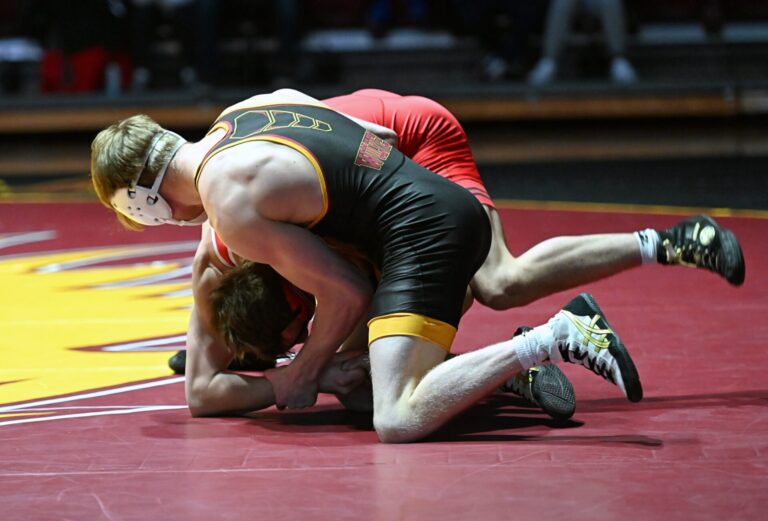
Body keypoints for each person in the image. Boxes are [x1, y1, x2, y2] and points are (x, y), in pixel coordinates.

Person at [89, 88, 734, 442]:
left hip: (418, 184)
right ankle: (507, 351)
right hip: (406, 185)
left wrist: (304, 373)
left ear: (143, 203)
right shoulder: (240, 113)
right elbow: (375, 150)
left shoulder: (228, 212)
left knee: (397, 409)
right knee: (388, 346)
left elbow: (342, 288)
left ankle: (553, 338)